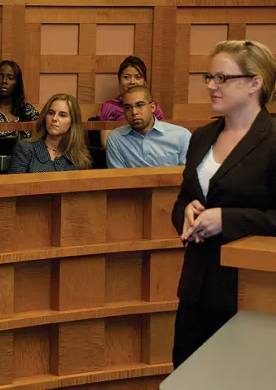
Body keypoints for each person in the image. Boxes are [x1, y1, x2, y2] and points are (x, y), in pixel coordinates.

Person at [172, 40, 276, 370]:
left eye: (222, 78)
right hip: (196, 288)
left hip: (250, 293)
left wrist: (226, 220)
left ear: (254, 83)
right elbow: (183, 199)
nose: (211, 86)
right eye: (208, 77)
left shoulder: (273, 141)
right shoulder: (202, 136)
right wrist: (185, 213)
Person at [106, 86, 191, 168]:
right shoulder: (116, 138)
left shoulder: (181, 135)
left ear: (152, 107)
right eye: (128, 108)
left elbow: (189, 176)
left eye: (139, 105)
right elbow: (117, 178)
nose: (134, 112)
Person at [9, 93, 92, 173]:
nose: (54, 118)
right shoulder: (24, 149)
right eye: (51, 113)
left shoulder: (80, 155)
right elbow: (14, 186)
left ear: (72, 121)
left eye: (62, 115)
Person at [99, 56, 164, 148]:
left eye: (138, 77)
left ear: (145, 82)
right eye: (126, 77)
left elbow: (161, 139)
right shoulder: (110, 107)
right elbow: (106, 143)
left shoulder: (153, 107)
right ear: (119, 81)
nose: (132, 82)